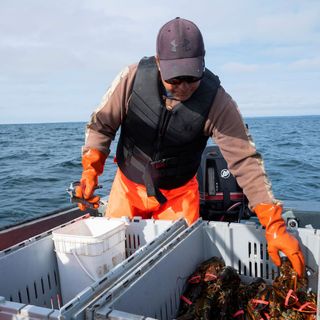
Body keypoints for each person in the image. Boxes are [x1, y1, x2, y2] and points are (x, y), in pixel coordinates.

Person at [75, 17, 305, 277]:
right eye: (175, 79)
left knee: (175, 270)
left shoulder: (218, 101)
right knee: (117, 264)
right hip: (127, 188)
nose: (183, 87)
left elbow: (245, 161)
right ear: (159, 63)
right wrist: (91, 170)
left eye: (191, 77)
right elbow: (101, 125)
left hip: (179, 194)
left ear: (203, 62)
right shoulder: (131, 78)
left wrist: (273, 224)